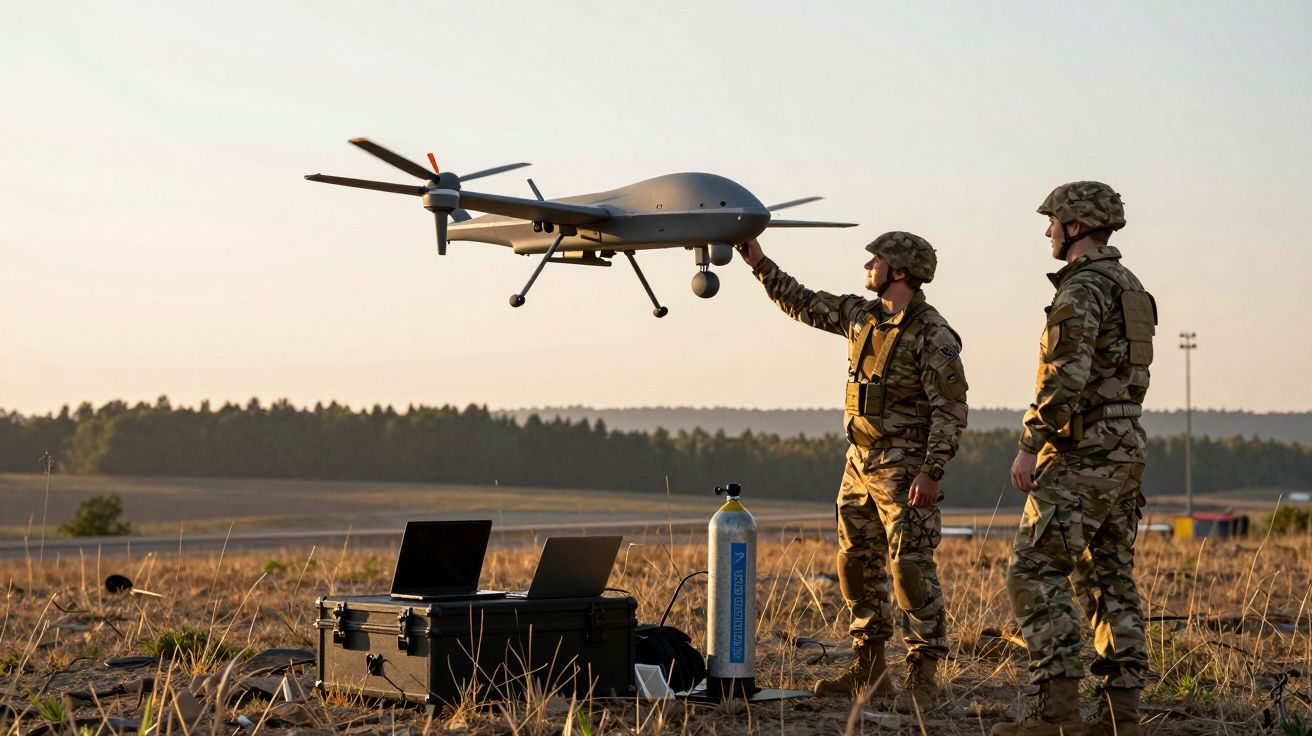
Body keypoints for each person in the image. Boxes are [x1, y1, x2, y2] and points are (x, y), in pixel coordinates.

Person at [736, 232, 968, 712]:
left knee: (910, 569)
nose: (868, 264)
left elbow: (950, 409)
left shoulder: (933, 333)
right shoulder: (860, 315)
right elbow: (801, 301)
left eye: (876, 259)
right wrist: (758, 262)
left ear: (899, 271)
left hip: (905, 468)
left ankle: (923, 677)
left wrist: (931, 471)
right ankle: (870, 670)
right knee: (856, 566)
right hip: (858, 463)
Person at [991, 182, 1155, 736]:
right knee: (1110, 578)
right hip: (1125, 445)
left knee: (1033, 569)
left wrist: (1029, 443)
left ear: (1076, 226)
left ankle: (1057, 714)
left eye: (1053, 222)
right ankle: (1120, 718)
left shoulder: (1082, 288)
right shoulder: (1130, 285)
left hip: (1084, 450)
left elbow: (1067, 377)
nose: (1048, 231)